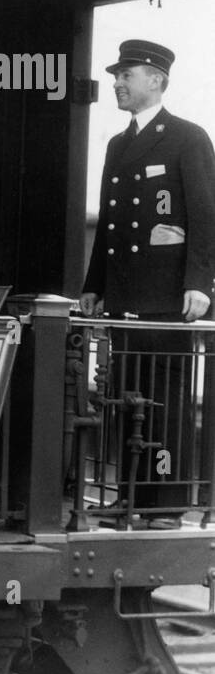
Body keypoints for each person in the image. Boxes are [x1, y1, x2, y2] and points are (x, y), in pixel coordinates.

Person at [81, 39, 215, 528]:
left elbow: (205, 216)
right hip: (125, 296)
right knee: (127, 396)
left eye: (126, 74)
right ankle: (132, 494)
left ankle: (167, 502)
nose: (117, 82)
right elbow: (110, 228)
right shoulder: (118, 144)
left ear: (156, 80)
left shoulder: (187, 137)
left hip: (166, 297)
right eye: (116, 75)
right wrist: (94, 284)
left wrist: (200, 282)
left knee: (167, 402)